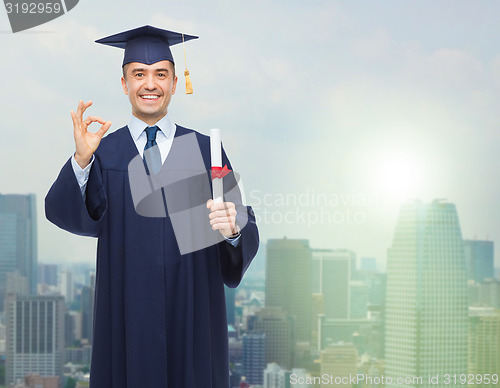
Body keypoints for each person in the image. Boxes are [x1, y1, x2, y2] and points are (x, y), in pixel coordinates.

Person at [45, 25, 259, 388]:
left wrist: (233, 230)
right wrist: (81, 160)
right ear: (124, 83)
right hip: (128, 315)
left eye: (161, 73)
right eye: (139, 74)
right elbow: (72, 216)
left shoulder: (205, 151)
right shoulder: (105, 153)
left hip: (192, 315)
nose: (150, 83)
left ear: (175, 82)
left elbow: (237, 228)